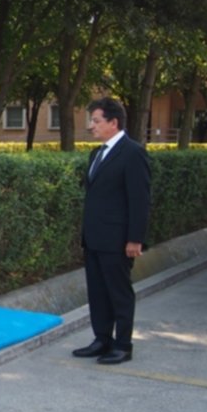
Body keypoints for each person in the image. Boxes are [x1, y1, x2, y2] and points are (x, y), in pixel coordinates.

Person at [72, 97, 151, 365]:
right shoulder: (97, 153)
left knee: (119, 293)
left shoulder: (132, 153)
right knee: (97, 292)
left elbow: (139, 200)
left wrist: (135, 238)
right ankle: (102, 339)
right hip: (94, 237)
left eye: (96, 121)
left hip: (117, 240)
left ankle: (123, 344)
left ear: (113, 122)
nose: (91, 126)